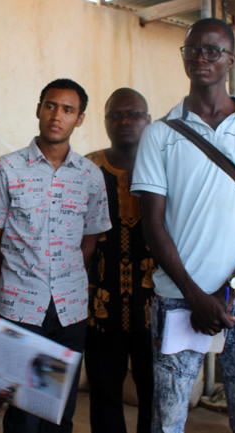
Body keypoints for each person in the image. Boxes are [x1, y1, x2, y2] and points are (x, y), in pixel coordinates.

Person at [131, 17, 235, 432]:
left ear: (231, 60)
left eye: (213, 50)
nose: (201, 57)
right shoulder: (160, 135)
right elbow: (153, 224)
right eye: (192, 50)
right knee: (167, 415)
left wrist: (231, 288)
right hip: (179, 298)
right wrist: (195, 294)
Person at [0, 78, 111, 433]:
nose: (57, 116)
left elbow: (89, 242)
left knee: (58, 412)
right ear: (38, 109)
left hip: (69, 311)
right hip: (19, 307)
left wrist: (65, 280)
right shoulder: (7, 169)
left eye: (68, 110)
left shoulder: (90, 176)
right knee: (21, 412)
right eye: (50, 106)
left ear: (79, 119)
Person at [84, 88, 155, 433]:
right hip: (100, 307)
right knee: (104, 395)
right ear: (105, 121)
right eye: (115, 115)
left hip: (155, 308)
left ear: (148, 120)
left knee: (155, 395)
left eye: (133, 114)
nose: (124, 121)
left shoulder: (164, 169)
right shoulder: (87, 168)